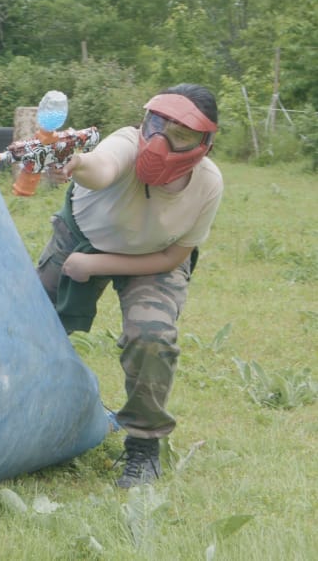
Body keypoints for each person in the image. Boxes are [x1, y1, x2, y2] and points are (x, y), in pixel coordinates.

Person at [36, 83, 223, 489]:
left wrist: (95, 265)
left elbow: (173, 259)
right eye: (158, 124)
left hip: (154, 257)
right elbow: (101, 168)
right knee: (33, 319)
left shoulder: (208, 184)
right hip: (81, 233)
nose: (161, 142)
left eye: (182, 135)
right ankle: (20, 409)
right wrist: (75, 161)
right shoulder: (126, 141)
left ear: (204, 143)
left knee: (152, 336)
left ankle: (143, 444)